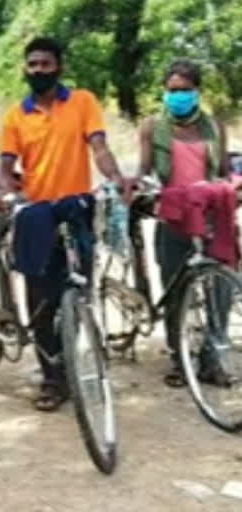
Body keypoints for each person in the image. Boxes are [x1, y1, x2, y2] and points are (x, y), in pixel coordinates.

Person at [0, 37, 129, 411]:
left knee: (80, 289)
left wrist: (116, 177)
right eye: (33, 64)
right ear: (26, 69)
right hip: (37, 214)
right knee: (41, 300)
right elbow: (6, 170)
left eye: (46, 64)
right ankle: (52, 378)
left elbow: (99, 147)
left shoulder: (83, 102)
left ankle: (80, 358)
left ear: (60, 67)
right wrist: (8, 193)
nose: (38, 70)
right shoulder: (15, 116)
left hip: (76, 210)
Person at [137, 59, 232, 387]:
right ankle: (180, 359)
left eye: (185, 90)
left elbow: (221, 173)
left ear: (197, 92)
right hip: (174, 216)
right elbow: (146, 170)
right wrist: (141, 189)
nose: (178, 96)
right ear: (165, 92)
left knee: (221, 284)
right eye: (173, 90)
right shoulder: (153, 127)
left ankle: (211, 357)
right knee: (175, 287)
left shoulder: (214, 127)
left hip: (211, 215)